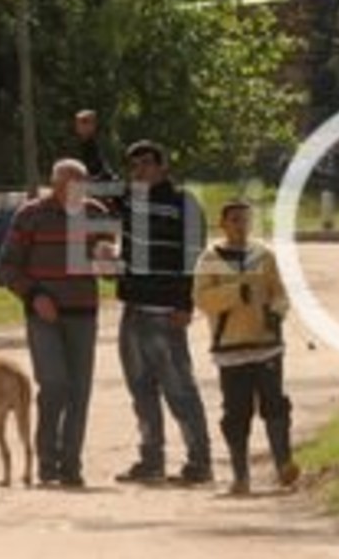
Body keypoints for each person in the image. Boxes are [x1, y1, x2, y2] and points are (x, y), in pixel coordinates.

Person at [73, 118, 214, 485]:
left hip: (166, 314)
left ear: (163, 166)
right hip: (133, 311)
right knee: (141, 391)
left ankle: (199, 462)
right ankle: (151, 461)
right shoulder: (131, 200)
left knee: (179, 390)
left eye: (147, 163)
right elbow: (100, 179)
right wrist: (88, 140)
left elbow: (193, 259)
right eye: (134, 165)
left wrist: (185, 305)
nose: (139, 170)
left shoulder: (184, 203)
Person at [0, 159, 111, 487]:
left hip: (83, 313)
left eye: (83, 185)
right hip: (43, 314)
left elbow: (111, 267)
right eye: (71, 185)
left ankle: (70, 465)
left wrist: (109, 260)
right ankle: (47, 460)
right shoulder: (30, 215)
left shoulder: (96, 213)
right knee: (54, 383)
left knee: (79, 390)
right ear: (56, 185)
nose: (79, 192)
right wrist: (34, 296)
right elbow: (7, 266)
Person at [195, 201, 300, 496]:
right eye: (235, 220)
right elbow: (202, 299)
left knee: (275, 405)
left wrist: (277, 312)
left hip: (266, 345)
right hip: (230, 348)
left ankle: (284, 464)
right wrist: (235, 293)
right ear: (223, 224)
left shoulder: (264, 256)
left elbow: (280, 293)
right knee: (236, 413)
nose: (241, 226)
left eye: (245, 220)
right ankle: (240, 476)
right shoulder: (210, 258)